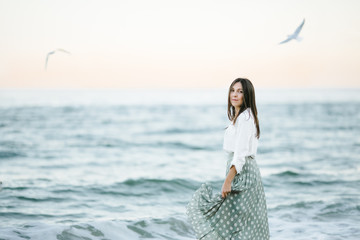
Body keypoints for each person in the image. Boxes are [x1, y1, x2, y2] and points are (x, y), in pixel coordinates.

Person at [186, 78, 270, 239]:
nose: (235, 95)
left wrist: (228, 181)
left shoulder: (245, 118)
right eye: (232, 90)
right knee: (239, 224)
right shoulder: (242, 117)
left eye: (240, 91)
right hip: (244, 172)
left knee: (229, 220)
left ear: (248, 95)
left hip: (243, 174)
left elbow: (239, 155)